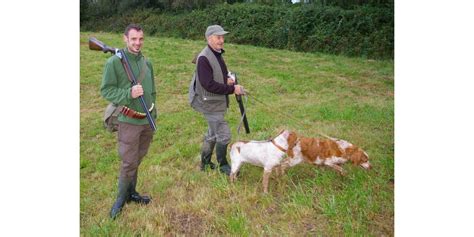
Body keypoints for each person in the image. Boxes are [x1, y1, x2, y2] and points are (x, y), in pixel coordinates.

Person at [100, 24, 157, 219]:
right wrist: (128, 93)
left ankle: (132, 193)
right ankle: (120, 199)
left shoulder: (146, 63)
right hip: (129, 120)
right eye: (133, 39)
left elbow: (152, 90)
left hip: (147, 120)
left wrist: (153, 112)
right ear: (125, 38)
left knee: (138, 158)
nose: (138, 43)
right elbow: (106, 90)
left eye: (141, 39)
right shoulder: (114, 63)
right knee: (128, 162)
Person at [188, 25, 245, 175]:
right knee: (224, 134)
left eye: (222, 37)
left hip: (214, 101)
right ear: (209, 38)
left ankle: (205, 163)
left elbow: (216, 76)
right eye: (218, 37)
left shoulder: (216, 53)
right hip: (209, 103)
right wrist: (232, 89)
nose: (221, 40)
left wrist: (226, 80)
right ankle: (223, 165)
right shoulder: (203, 59)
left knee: (212, 134)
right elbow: (208, 85)